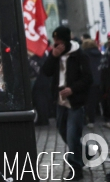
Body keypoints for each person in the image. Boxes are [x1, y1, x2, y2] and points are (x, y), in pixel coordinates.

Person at [42, 26, 93, 181]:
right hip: (60, 101)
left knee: (72, 135)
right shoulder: (56, 54)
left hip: (75, 102)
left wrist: (72, 89)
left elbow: (88, 79)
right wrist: (53, 56)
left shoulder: (79, 55)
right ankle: (84, 153)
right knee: (63, 131)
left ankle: (76, 168)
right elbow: (46, 71)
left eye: (59, 41)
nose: (57, 44)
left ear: (66, 40)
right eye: (55, 41)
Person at [82, 38, 102, 127]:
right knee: (96, 101)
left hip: (89, 81)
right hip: (100, 80)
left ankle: (90, 120)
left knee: (88, 102)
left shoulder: (84, 55)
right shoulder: (99, 54)